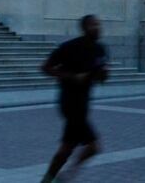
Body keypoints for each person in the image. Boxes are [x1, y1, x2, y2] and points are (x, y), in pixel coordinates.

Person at [40, 15, 109, 183]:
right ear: (84, 28)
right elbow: (45, 67)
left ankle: (50, 179)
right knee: (93, 146)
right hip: (69, 103)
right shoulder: (69, 47)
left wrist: (103, 74)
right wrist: (71, 77)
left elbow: (102, 76)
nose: (98, 28)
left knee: (68, 147)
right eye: (94, 25)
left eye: (99, 24)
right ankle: (64, 177)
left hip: (83, 103)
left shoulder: (100, 49)